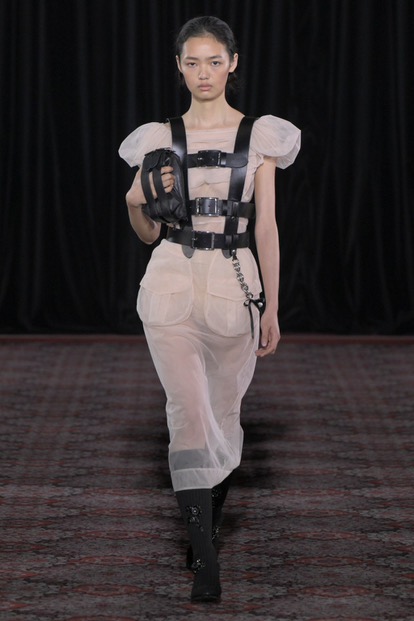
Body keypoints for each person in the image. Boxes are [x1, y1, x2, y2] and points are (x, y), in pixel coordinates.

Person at [119, 15, 300, 603]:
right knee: (189, 411)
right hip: (171, 279)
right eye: (192, 62)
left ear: (233, 64)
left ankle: (208, 527)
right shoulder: (157, 138)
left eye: (214, 61)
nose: (204, 72)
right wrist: (134, 202)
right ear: (179, 67)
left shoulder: (260, 137)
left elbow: (266, 227)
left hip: (234, 284)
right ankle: (205, 557)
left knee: (223, 412)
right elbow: (148, 233)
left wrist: (273, 306)